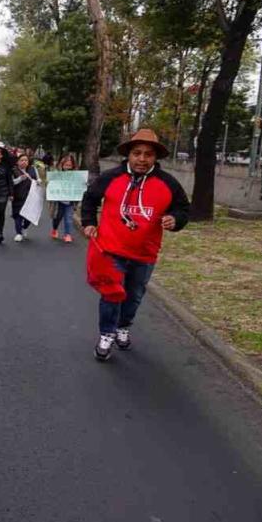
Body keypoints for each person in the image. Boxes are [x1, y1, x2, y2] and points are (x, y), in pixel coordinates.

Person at [81, 129, 190, 362]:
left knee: (133, 297)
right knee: (111, 294)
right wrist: (89, 222)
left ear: (155, 158)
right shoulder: (111, 177)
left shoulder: (168, 183)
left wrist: (175, 220)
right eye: (137, 153)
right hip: (110, 249)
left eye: (148, 154)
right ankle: (107, 334)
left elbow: (182, 208)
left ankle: (123, 327)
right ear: (129, 155)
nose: (142, 159)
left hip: (144, 254)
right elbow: (90, 198)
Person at [10, 153, 39, 242]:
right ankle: (18, 233)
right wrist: (20, 179)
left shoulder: (33, 169)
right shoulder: (13, 170)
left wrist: (38, 181)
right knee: (18, 215)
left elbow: (38, 179)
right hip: (18, 196)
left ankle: (24, 227)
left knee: (29, 216)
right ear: (18, 162)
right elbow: (11, 183)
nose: (24, 162)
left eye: (26, 160)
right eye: (21, 160)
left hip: (31, 197)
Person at [50, 154, 79, 243]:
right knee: (57, 217)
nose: (68, 167)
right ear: (62, 165)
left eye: (70, 165)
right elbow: (51, 186)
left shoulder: (76, 176)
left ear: (73, 166)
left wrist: (83, 186)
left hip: (70, 201)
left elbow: (79, 187)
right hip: (58, 201)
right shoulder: (57, 175)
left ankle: (67, 234)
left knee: (68, 218)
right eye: (66, 165)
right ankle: (54, 229)